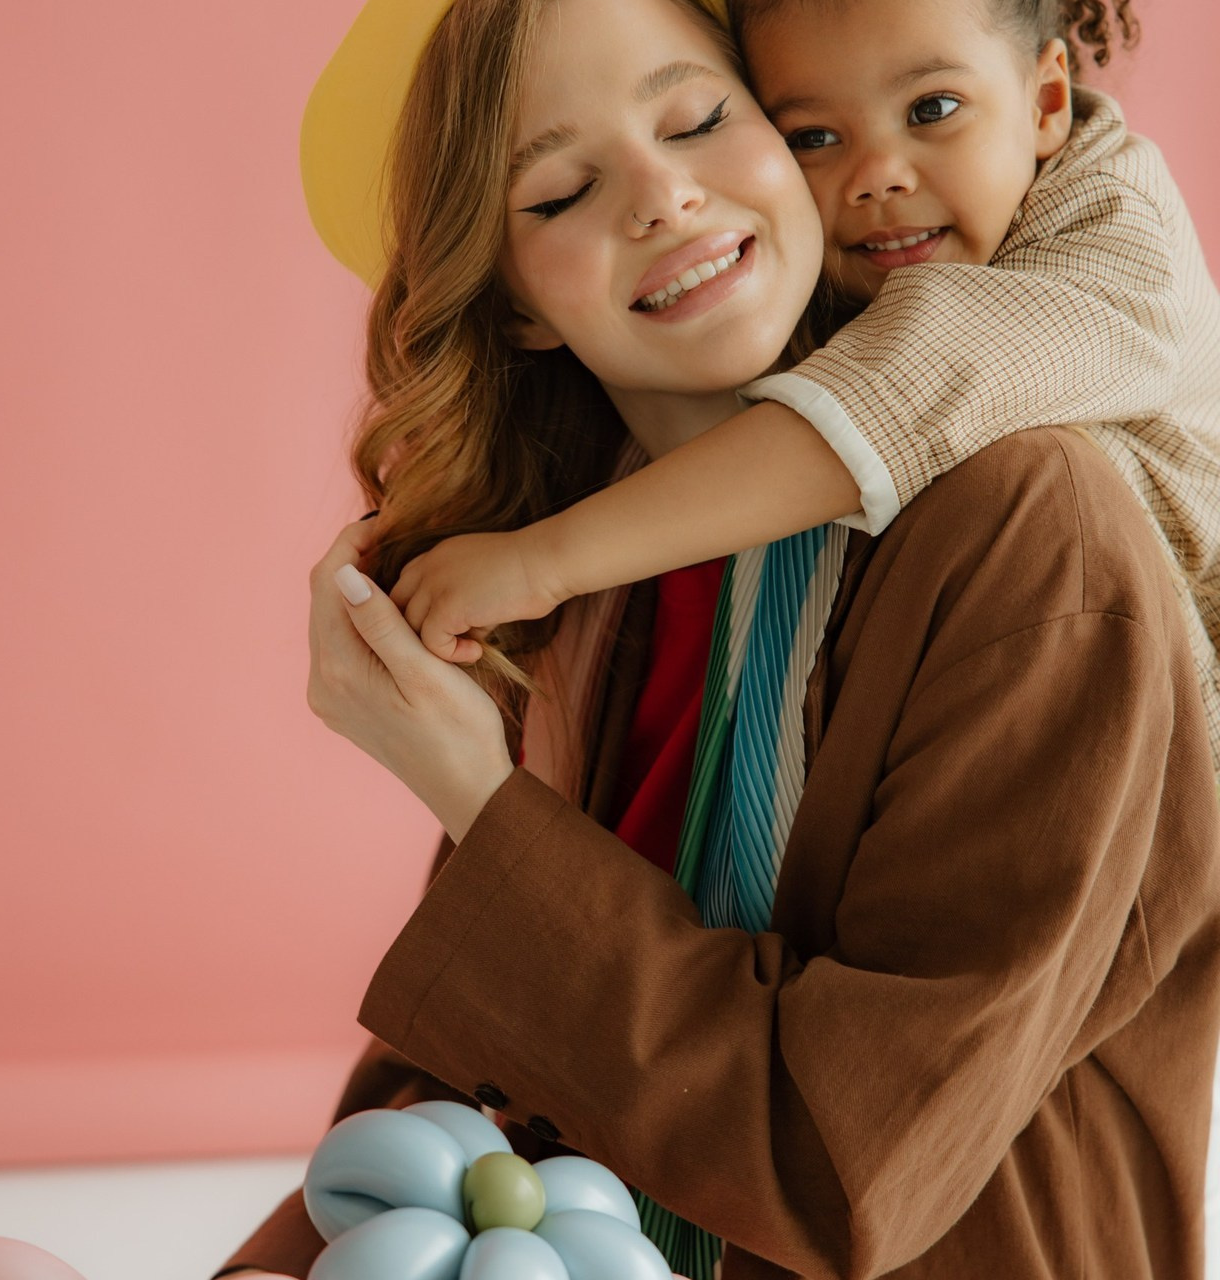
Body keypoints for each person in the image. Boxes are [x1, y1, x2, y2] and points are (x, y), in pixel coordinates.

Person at [219, 0, 1220, 1276]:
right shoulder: (581, 586)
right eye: (562, 191)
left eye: (696, 119)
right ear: (515, 304)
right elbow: (485, 1067)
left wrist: (473, 792)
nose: (661, 198)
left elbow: (841, 1167)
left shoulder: (1025, 518)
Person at [388, 0, 1220, 776]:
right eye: (814, 136)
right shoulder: (615, 552)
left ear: (1046, 102)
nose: (876, 177)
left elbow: (889, 400)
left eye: (932, 110)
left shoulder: (1115, 240)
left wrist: (542, 562)